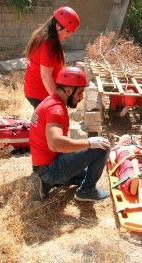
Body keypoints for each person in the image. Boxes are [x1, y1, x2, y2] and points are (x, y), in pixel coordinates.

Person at [30, 66, 111, 202]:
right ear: (68, 90)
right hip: (50, 168)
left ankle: (48, 182)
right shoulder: (56, 110)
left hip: (42, 167)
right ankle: (86, 191)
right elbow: (55, 144)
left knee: (85, 174)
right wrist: (90, 143)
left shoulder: (50, 102)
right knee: (102, 147)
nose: (81, 98)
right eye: (79, 93)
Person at [24, 6, 80, 109]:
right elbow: (46, 76)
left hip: (36, 91)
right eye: (67, 31)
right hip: (40, 93)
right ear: (58, 26)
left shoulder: (44, 36)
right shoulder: (48, 43)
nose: (69, 35)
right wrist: (57, 102)